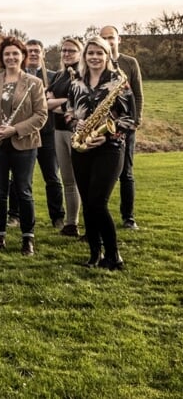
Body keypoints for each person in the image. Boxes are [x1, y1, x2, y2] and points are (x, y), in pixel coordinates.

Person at [67, 36, 135, 270]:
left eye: (100, 53)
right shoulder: (77, 83)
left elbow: (131, 119)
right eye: (91, 53)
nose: (95, 57)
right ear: (85, 56)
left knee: (98, 202)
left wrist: (105, 135)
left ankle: (114, 255)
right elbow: (69, 113)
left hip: (110, 147)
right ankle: (95, 254)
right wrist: (75, 123)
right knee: (87, 202)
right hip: (82, 147)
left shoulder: (119, 82)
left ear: (107, 55)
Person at [0, 36, 47, 256]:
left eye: (15, 53)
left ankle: (28, 240)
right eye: (7, 54)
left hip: (24, 143)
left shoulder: (34, 83)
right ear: (1, 57)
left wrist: (15, 129)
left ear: (23, 56)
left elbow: (41, 115)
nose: (11, 57)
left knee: (23, 191)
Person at [99, 25, 144, 230]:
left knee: (126, 173)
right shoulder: (98, 61)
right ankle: (99, 216)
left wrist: (135, 121)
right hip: (101, 127)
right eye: (104, 38)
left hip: (125, 126)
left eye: (111, 38)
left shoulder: (130, 63)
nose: (108, 41)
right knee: (100, 174)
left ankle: (129, 217)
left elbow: (138, 94)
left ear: (119, 40)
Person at [26, 38, 65, 229]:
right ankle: (15, 216)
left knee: (52, 177)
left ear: (43, 53)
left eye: (36, 51)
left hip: (48, 133)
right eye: (30, 50)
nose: (33, 54)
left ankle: (57, 217)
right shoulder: (18, 76)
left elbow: (60, 102)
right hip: (24, 133)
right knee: (21, 178)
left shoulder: (54, 76)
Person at [47, 37, 84, 237]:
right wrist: (66, 103)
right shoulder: (59, 75)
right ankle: (71, 224)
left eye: (71, 50)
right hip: (58, 130)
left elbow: (79, 104)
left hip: (77, 130)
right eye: (64, 50)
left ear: (80, 53)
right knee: (68, 180)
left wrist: (60, 104)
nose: (66, 54)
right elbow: (46, 102)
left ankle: (91, 225)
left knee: (83, 179)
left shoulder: (83, 74)